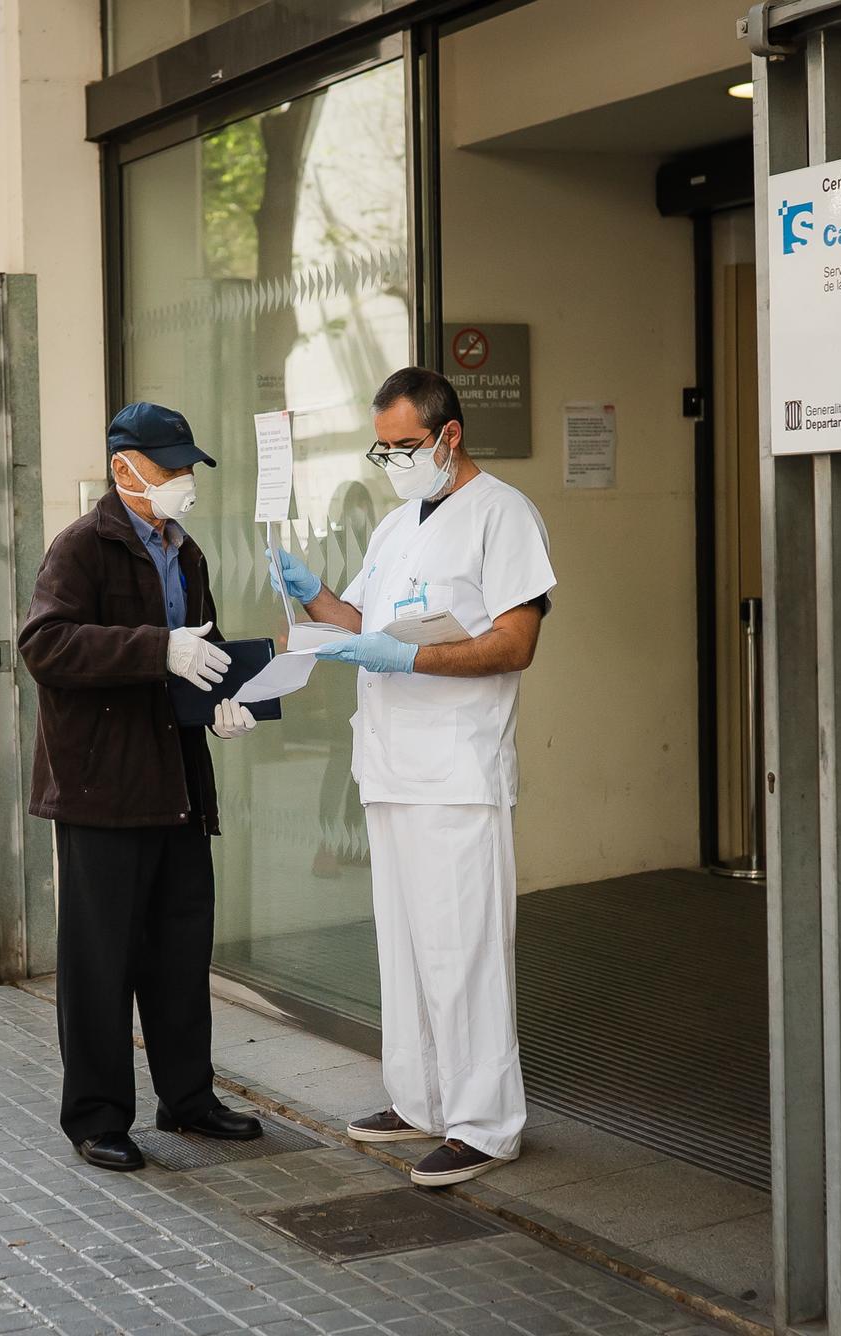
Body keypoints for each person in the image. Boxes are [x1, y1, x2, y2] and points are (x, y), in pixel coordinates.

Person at [270, 367, 555, 1188]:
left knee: (464, 953)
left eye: (404, 446)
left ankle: (485, 1124)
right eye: (383, 446)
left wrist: (412, 655)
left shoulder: (504, 515)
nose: (392, 459)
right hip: (391, 767)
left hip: (459, 773)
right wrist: (314, 594)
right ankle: (421, 1099)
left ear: (448, 436)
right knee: (404, 949)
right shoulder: (398, 526)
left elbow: (515, 642)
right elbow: (363, 626)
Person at [17, 401, 263, 1173]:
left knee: (181, 953)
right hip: (102, 791)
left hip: (179, 784)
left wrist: (225, 703)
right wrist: (157, 650)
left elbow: (205, 651)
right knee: (100, 963)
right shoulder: (80, 549)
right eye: (172, 467)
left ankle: (188, 1099)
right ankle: (96, 1118)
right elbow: (45, 645)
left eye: (189, 467)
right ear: (126, 469)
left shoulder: (187, 555)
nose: (186, 481)